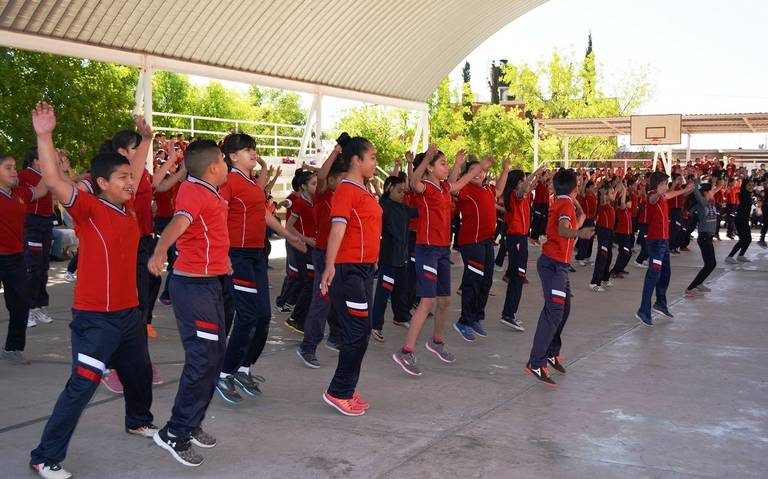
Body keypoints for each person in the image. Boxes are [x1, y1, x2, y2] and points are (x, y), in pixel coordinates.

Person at [29, 102, 155, 479]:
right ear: (101, 183)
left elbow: (136, 171)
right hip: (95, 320)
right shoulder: (89, 210)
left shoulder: (128, 210)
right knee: (82, 386)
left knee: (139, 373)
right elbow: (54, 180)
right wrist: (44, 135)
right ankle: (44, 456)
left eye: (130, 177)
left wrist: (146, 140)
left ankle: (138, 421)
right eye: (122, 177)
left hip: (129, 314)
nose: (130, 182)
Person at [148, 139, 230, 467]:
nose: (226, 165)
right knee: (203, 358)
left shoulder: (209, 191)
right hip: (194, 288)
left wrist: (224, 262)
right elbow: (179, 223)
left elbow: (208, 234)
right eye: (223, 160)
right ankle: (174, 431)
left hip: (209, 283)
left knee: (214, 356)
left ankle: (191, 422)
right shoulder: (194, 191)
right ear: (213, 167)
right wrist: (159, 252)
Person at [215, 133, 306, 403]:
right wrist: (224, 253)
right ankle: (224, 373)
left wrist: (289, 235)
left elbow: (264, 214)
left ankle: (243, 368)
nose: (253, 152)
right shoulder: (229, 181)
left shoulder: (252, 185)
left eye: (253, 148)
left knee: (263, 316)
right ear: (233, 156)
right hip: (238, 255)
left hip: (256, 255)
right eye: (247, 150)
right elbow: (218, 216)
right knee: (247, 316)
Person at [391, 146, 484, 376]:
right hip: (427, 250)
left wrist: (473, 167)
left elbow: (460, 182)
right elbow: (414, 181)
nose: (446, 167)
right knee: (427, 301)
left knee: (445, 301)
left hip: (443, 251)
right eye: (442, 163)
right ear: (430, 168)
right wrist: (425, 159)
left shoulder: (444, 188)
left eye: (446, 163)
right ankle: (406, 351)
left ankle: (437, 341)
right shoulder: (425, 187)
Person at [318, 135, 381, 416]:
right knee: (356, 331)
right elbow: (338, 229)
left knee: (362, 331)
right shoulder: (346, 190)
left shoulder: (363, 190)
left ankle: (346, 387)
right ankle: (338, 391)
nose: (375, 163)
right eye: (372, 158)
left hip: (364, 269)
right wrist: (329, 265)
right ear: (356, 160)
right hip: (349, 270)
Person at [525, 168, 594, 386]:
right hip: (553, 266)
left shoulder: (564, 202)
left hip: (559, 266)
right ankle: (536, 362)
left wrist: (579, 212)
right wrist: (580, 233)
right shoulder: (564, 205)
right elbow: (564, 230)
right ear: (575, 188)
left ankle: (551, 352)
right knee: (554, 311)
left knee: (564, 309)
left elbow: (573, 224)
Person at [297, 145, 345, 366]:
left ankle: (335, 337)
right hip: (323, 253)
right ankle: (308, 346)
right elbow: (323, 175)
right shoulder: (323, 194)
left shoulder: (344, 196)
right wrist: (335, 152)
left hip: (338, 254)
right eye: (342, 178)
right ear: (333, 180)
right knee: (322, 301)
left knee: (336, 297)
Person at [452, 156, 508, 342]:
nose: (478, 173)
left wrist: (505, 169)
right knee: (473, 281)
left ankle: (475, 317)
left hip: (486, 242)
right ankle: (464, 322)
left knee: (486, 281)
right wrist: (458, 165)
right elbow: (452, 185)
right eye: (474, 170)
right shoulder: (464, 189)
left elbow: (499, 190)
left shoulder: (488, 189)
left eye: (481, 170)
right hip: (471, 242)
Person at [1, 152, 48, 364]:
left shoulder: (19, 192)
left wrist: (49, 166)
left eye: (14, 167)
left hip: (16, 258)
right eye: (8, 168)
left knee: (21, 304)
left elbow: (41, 190)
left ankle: (12, 348)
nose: (14, 172)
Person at [635, 171, 694, 326]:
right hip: (655, 242)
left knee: (665, 272)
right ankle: (643, 310)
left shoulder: (662, 196)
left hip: (663, 241)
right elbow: (652, 199)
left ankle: (660, 303)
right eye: (665, 184)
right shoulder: (652, 195)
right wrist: (659, 192)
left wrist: (685, 190)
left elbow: (669, 195)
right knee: (653, 276)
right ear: (658, 184)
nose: (667, 186)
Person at [369, 171, 418, 343]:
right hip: (389, 259)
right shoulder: (384, 206)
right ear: (389, 188)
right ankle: (375, 325)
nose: (402, 194)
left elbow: (419, 211)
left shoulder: (403, 208)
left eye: (404, 191)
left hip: (402, 258)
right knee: (383, 293)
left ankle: (401, 317)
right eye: (399, 191)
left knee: (401, 290)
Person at [500, 164, 545, 332]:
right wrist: (535, 173)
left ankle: (509, 312)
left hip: (521, 239)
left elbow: (530, 187)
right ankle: (509, 314)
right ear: (517, 183)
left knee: (517, 276)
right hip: (516, 239)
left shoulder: (523, 196)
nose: (527, 183)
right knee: (518, 277)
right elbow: (526, 187)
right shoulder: (514, 195)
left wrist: (538, 177)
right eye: (523, 180)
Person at [19, 148, 55, 327]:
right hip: (32, 223)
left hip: (46, 222)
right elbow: (31, 195)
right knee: (33, 266)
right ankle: (28, 308)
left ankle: (39, 305)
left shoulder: (46, 175)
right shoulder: (24, 175)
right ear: (34, 160)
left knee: (43, 266)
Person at [284, 169, 318, 334]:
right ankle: (296, 318)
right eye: (313, 184)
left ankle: (300, 318)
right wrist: (306, 239)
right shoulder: (299, 203)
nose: (316, 186)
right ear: (303, 186)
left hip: (313, 247)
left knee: (311, 283)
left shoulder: (314, 201)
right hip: (304, 248)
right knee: (308, 284)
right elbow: (289, 226)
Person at [685, 178, 723, 296]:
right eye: (711, 191)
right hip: (704, 237)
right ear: (706, 193)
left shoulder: (709, 203)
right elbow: (697, 192)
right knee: (709, 264)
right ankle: (690, 288)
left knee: (711, 264)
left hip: (708, 237)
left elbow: (716, 189)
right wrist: (696, 182)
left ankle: (699, 283)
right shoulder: (703, 203)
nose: (713, 192)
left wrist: (718, 184)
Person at [589, 181, 616, 292]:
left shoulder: (610, 204)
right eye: (612, 193)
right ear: (606, 195)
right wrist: (605, 191)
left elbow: (619, 190)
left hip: (610, 232)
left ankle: (605, 278)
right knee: (602, 257)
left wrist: (617, 185)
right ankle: (595, 282)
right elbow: (603, 196)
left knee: (608, 256)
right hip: (603, 232)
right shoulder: (603, 205)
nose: (614, 194)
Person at [724, 177, 755, 264]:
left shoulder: (748, 194)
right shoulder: (743, 194)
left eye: (752, 185)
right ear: (745, 186)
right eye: (749, 185)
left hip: (744, 219)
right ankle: (729, 257)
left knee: (748, 239)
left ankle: (741, 255)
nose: (751, 187)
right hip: (740, 220)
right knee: (743, 239)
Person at [609, 181, 634, 278]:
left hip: (627, 235)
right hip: (622, 235)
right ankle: (615, 271)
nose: (631, 203)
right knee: (625, 253)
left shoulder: (628, 211)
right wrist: (624, 189)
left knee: (627, 253)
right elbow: (622, 201)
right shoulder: (621, 210)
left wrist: (624, 188)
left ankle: (620, 269)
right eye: (629, 201)